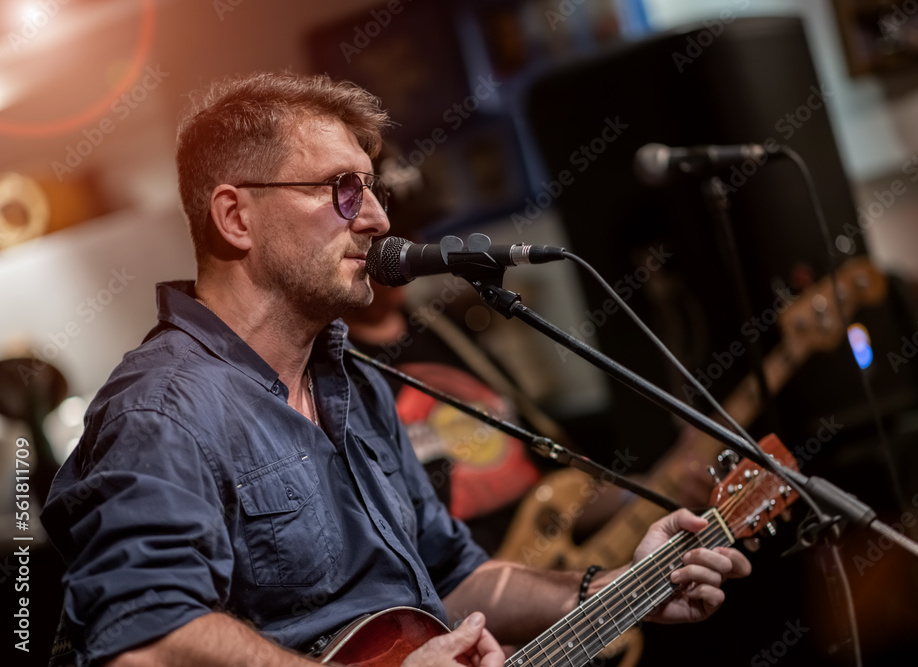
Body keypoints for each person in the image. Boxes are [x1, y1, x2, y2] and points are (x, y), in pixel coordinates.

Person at [40, 71, 751, 666]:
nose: (378, 217)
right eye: (343, 190)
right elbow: (144, 642)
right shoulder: (163, 411)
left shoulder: (362, 385)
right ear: (235, 217)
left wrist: (621, 586)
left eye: (373, 189)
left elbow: (454, 576)